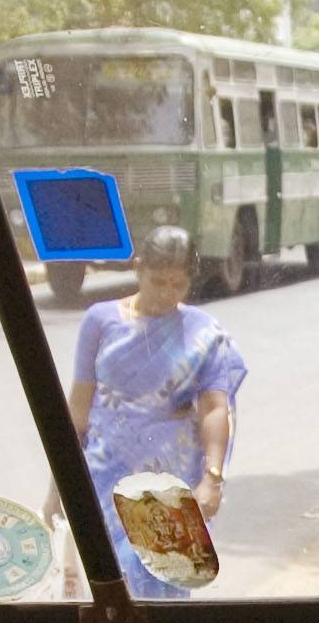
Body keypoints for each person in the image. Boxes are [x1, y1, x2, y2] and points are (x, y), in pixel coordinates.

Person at [53, 227, 245, 598]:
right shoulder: (100, 321)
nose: (167, 294)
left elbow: (215, 408)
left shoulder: (203, 333)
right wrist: (58, 487)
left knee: (161, 582)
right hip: (103, 475)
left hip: (168, 483)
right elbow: (78, 409)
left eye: (178, 284)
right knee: (108, 584)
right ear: (139, 269)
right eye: (158, 282)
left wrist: (213, 478)